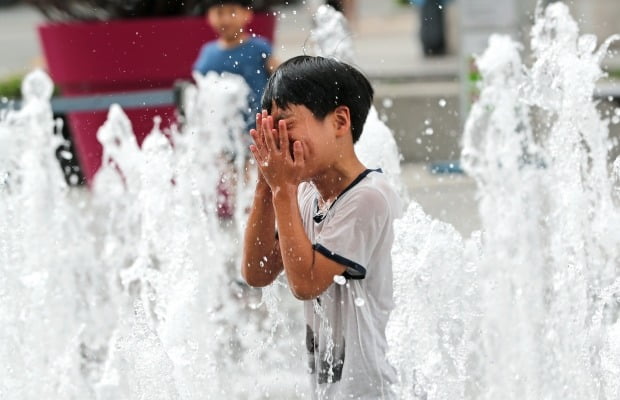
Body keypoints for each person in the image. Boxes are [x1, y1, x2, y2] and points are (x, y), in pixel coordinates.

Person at [241, 55, 403, 400]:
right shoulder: (306, 193)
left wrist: (282, 189)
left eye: (285, 124)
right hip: (332, 388)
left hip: (372, 389)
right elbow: (257, 272)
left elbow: (306, 283)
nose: (276, 139)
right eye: (269, 128)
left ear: (340, 121)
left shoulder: (369, 197)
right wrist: (264, 186)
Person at [193, 0, 279, 127]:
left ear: (247, 14)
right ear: (209, 17)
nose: (226, 20)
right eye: (219, 13)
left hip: (259, 126)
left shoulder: (259, 48)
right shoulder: (207, 53)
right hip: (222, 131)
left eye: (232, 12)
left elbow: (280, 77)